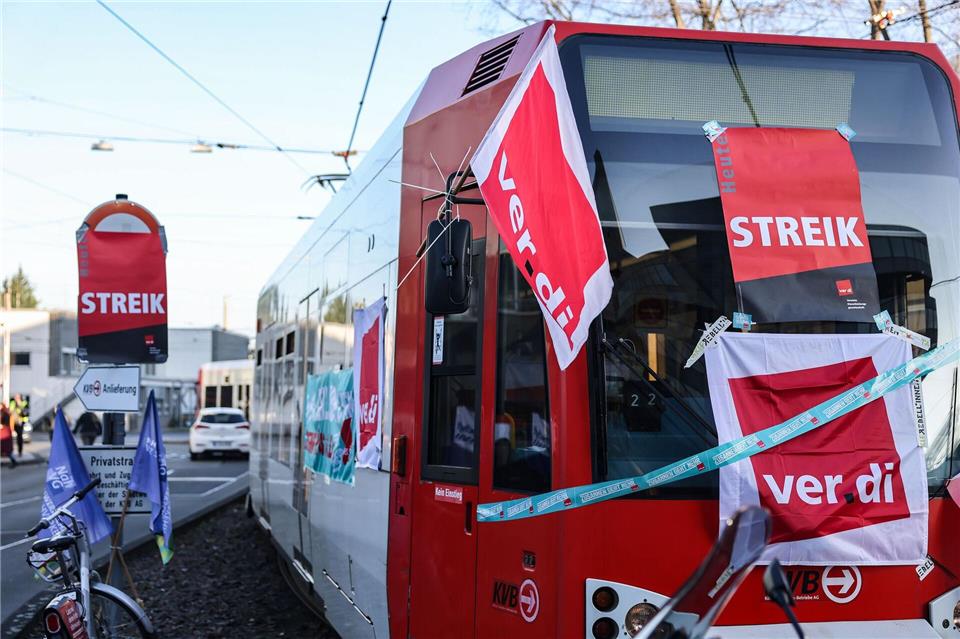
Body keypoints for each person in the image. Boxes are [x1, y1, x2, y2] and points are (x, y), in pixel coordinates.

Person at [0, 403, 16, 467]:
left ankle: (13, 461)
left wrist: (2, 426)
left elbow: (6, 423)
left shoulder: (5, 413)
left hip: (5, 432)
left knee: (6, 448)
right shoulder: (3, 413)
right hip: (3, 432)